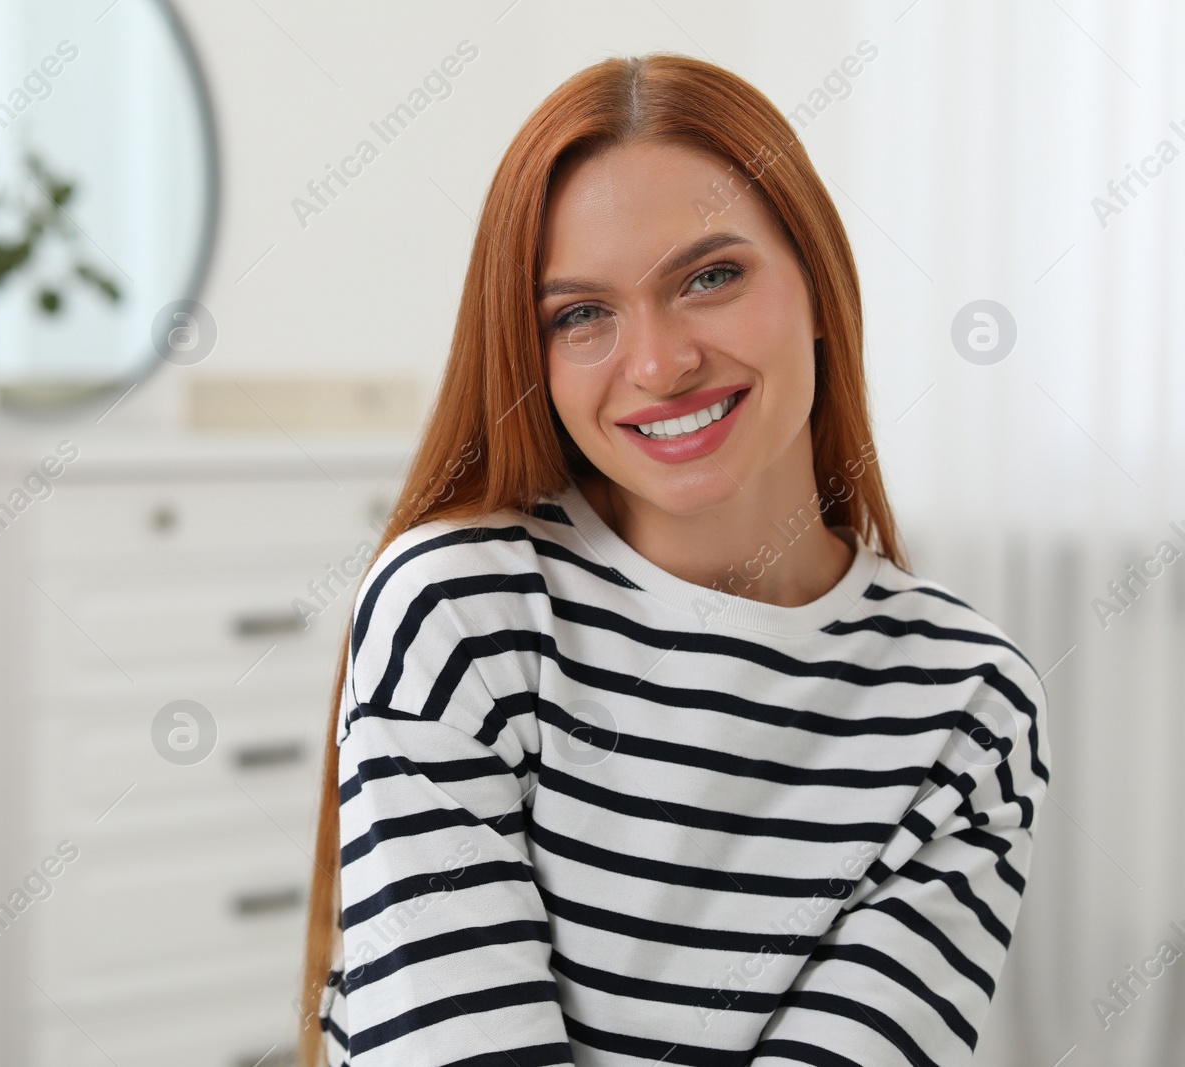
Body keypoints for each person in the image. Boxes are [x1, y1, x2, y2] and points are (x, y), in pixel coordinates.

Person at [297, 51, 1049, 1067]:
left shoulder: (969, 699)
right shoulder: (461, 614)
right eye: (580, 315)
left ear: (818, 284)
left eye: (709, 276)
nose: (657, 364)